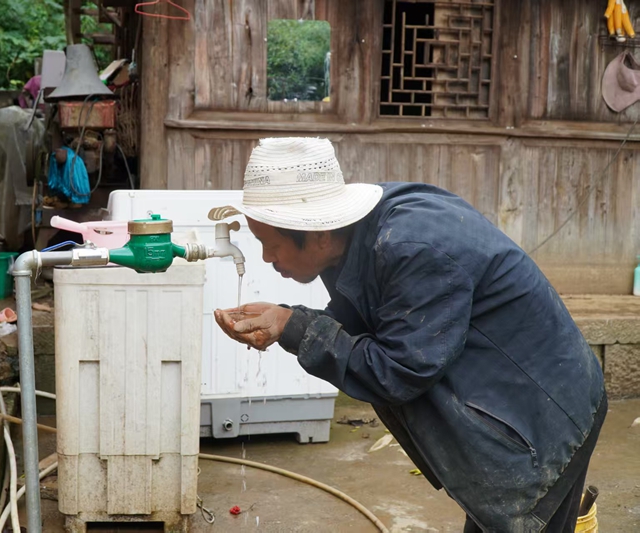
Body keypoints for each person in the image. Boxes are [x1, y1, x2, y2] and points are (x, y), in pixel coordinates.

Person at [211, 137, 607, 532]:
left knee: (527, 515)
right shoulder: (351, 238)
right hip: (507, 397)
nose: (266, 257)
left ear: (317, 233)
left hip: (544, 415)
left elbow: (398, 371)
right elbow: (366, 323)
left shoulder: (411, 246)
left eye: (270, 243)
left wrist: (293, 326)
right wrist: (287, 320)